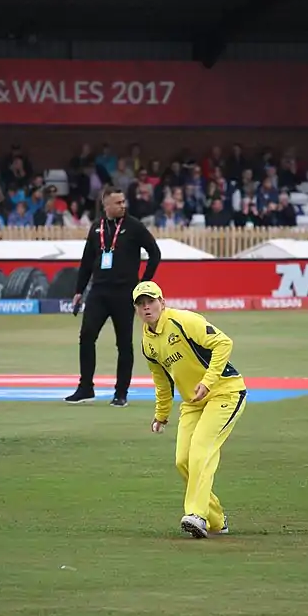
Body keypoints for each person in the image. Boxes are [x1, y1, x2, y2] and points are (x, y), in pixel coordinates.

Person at [133, 280, 247, 538]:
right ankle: (217, 520)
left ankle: (196, 515)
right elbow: (162, 381)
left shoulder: (183, 321)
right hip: (193, 403)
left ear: (162, 302)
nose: (146, 307)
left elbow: (224, 343)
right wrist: (161, 415)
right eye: (141, 304)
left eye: (150, 301)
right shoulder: (147, 343)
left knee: (201, 451)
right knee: (183, 461)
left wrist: (208, 382)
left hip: (225, 392)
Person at [65, 187, 161, 407]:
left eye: (123, 202)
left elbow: (154, 253)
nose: (122, 206)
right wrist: (79, 291)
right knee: (87, 336)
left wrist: (143, 283)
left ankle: (121, 393)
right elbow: (87, 261)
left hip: (124, 293)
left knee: (124, 343)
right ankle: (86, 388)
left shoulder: (134, 226)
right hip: (98, 292)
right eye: (117, 203)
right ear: (105, 205)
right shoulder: (96, 228)